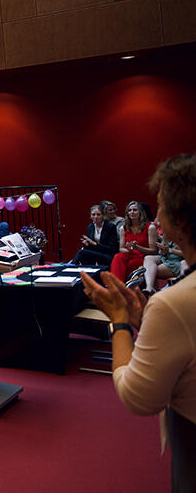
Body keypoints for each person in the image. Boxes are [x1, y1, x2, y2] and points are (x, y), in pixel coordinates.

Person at [80, 154, 196, 490]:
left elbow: (138, 396)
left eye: (161, 207)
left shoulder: (174, 303)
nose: (155, 215)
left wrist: (119, 321)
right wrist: (145, 321)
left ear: (180, 220)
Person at [110, 201, 157, 282]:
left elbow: (154, 251)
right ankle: (117, 285)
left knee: (131, 264)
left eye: (135, 210)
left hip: (144, 256)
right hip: (130, 254)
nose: (132, 212)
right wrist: (130, 249)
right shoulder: (123, 228)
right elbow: (121, 249)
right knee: (117, 257)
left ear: (140, 212)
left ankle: (123, 287)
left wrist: (137, 248)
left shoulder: (150, 227)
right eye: (129, 210)